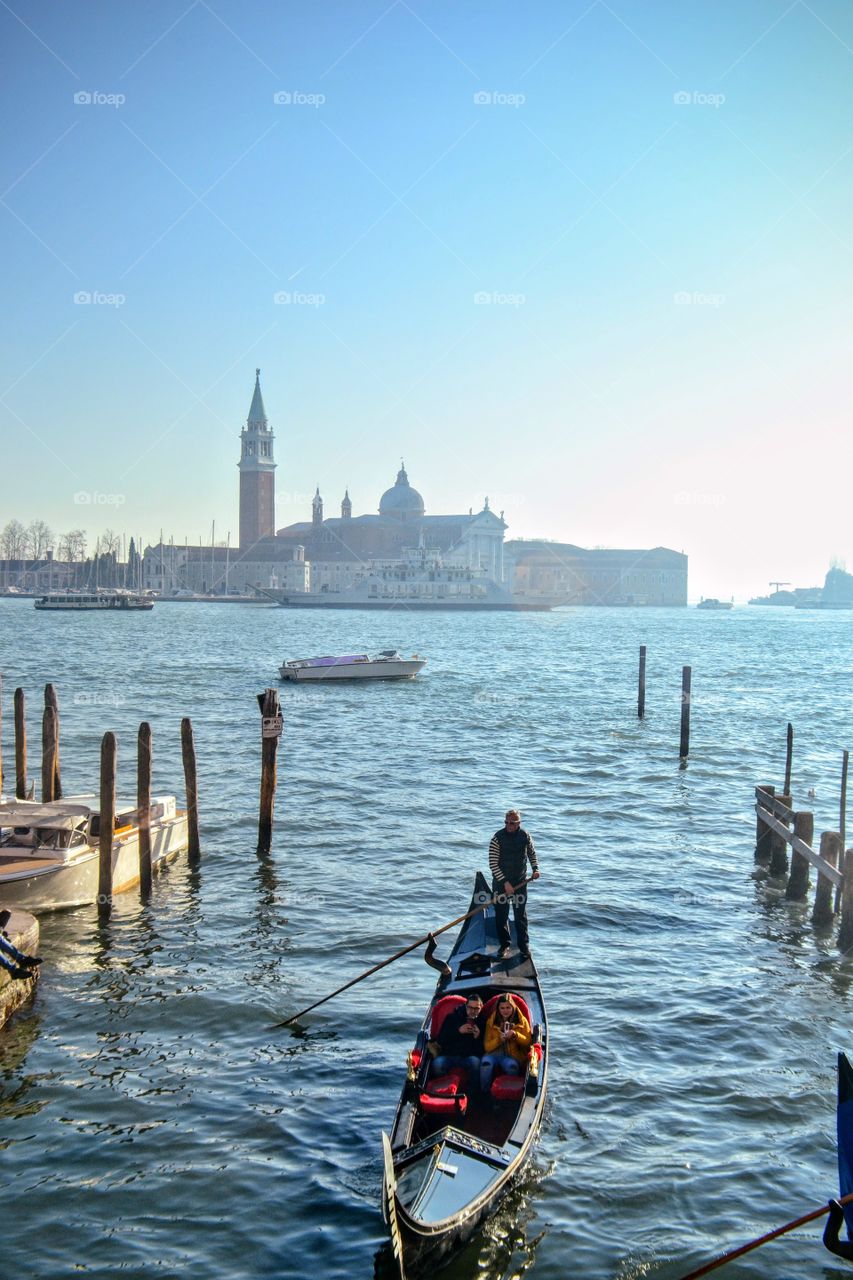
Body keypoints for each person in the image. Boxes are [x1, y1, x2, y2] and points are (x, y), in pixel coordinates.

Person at [489, 808, 540, 959]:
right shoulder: (497, 838)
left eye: (512, 823)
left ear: (518, 823)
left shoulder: (525, 836)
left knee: (520, 916)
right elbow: (493, 864)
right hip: (500, 883)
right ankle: (504, 945)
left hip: (520, 882)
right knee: (501, 915)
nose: (509, 825)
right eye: (506, 822)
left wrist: (535, 869)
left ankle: (524, 947)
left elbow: (531, 853)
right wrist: (505, 882)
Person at [480, 994, 532, 1092]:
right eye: (502, 1008)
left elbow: (528, 1042)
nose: (505, 1010)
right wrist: (499, 1040)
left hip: (512, 1055)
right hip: (493, 1054)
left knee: (511, 1066)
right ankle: (484, 1092)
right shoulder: (491, 1022)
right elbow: (487, 1047)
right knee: (485, 1063)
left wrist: (515, 1035)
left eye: (508, 1007)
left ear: (513, 1007)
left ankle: (511, 1092)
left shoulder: (522, 1021)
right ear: (498, 1009)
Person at [429, 992, 485, 1083]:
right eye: (470, 1007)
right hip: (449, 1055)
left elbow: (483, 1051)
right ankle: (444, 1088)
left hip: (468, 1057)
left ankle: (473, 1092)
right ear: (465, 1006)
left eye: (476, 1008)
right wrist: (458, 1031)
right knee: (437, 1064)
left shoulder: (482, 1022)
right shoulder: (452, 1018)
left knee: (476, 1062)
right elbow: (441, 1040)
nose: (472, 1011)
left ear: (481, 1008)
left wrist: (477, 1037)